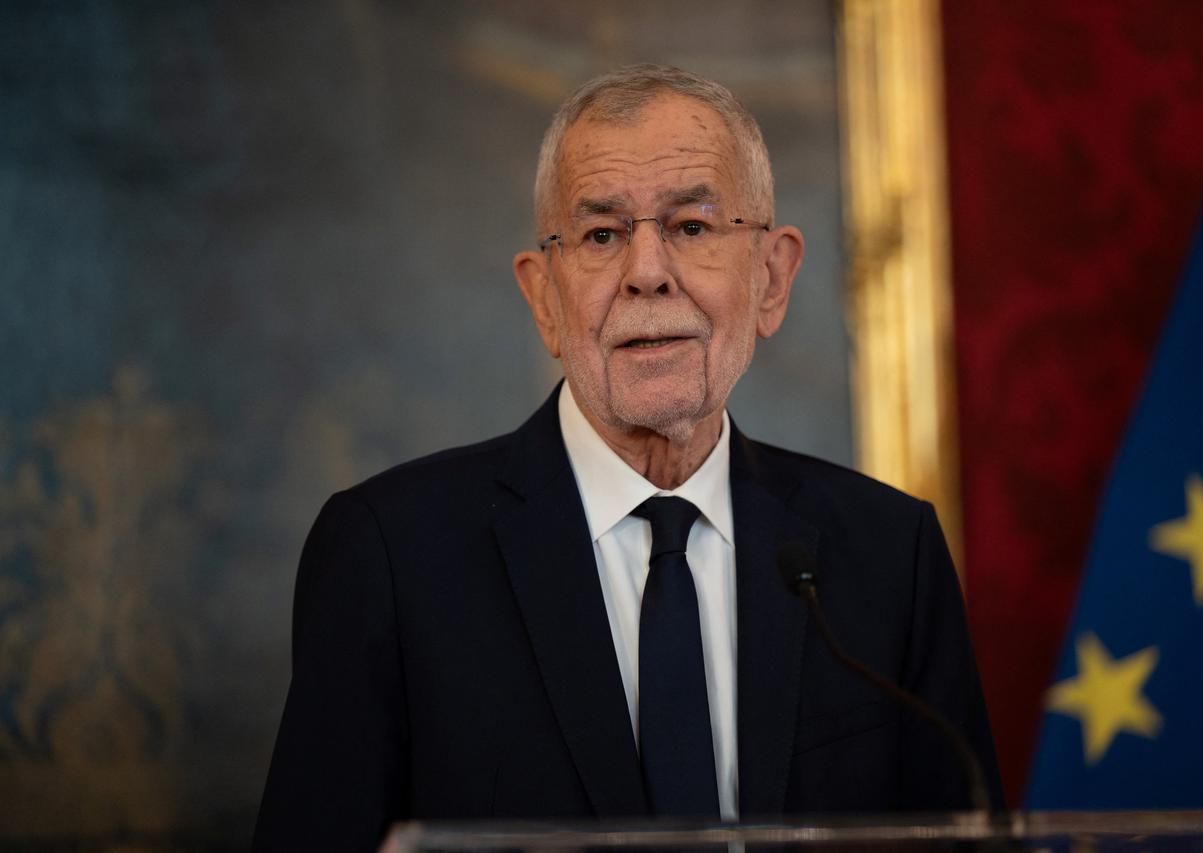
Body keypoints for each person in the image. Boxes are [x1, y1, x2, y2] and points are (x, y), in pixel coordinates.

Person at [253, 64, 1001, 851]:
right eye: (602, 234)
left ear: (772, 279)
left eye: (692, 226)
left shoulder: (891, 552)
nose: (647, 273)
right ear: (544, 298)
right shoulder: (389, 555)